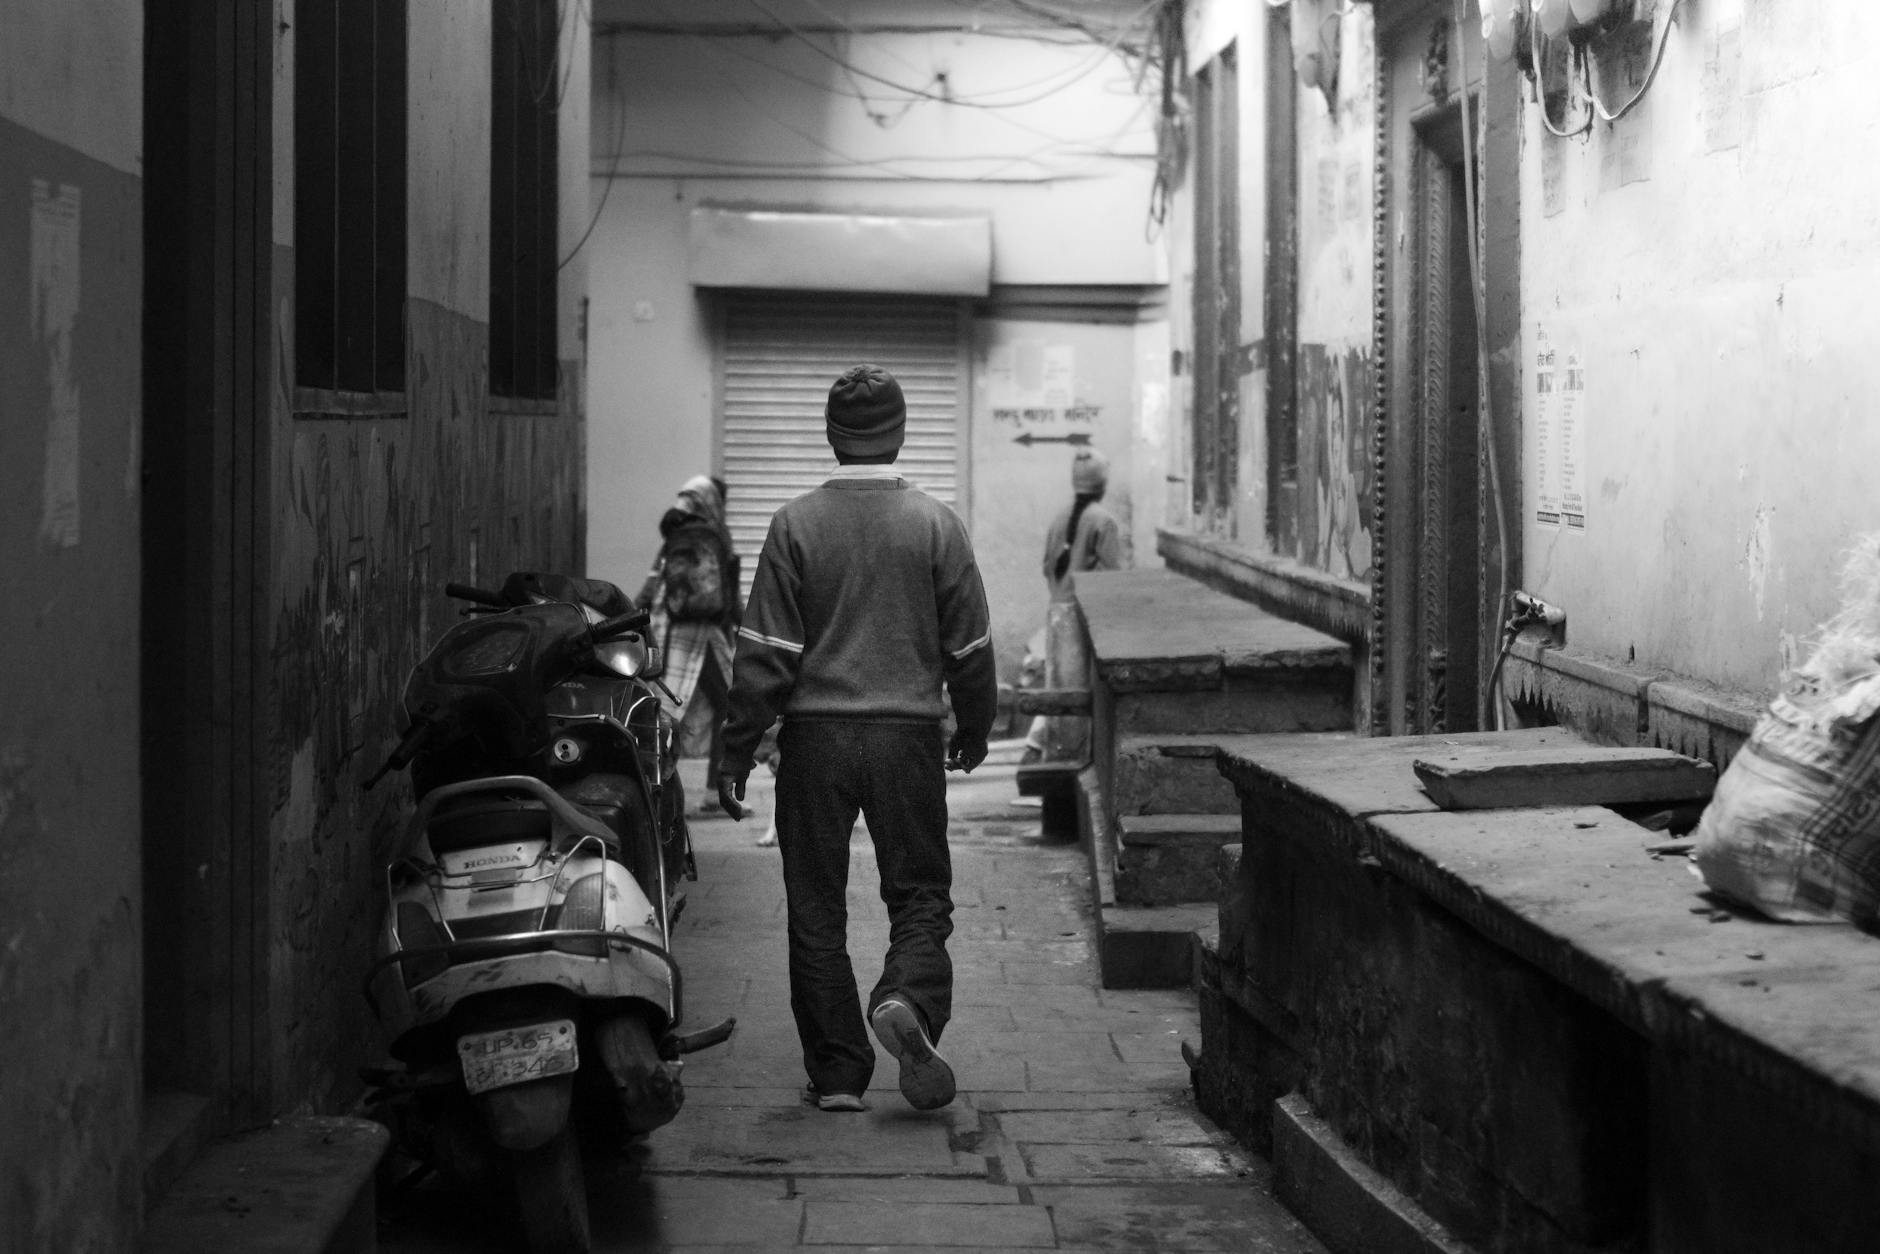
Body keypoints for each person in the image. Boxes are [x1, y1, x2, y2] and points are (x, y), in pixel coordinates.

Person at [715, 364, 998, 1115]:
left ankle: (839, 1073)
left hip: (815, 741)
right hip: (906, 739)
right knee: (920, 895)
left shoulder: (794, 524)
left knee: (814, 905)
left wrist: (735, 751)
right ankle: (905, 996)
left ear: (833, 438)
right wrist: (973, 728)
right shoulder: (936, 525)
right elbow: (970, 647)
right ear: (900, 433)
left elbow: (765, 655)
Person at [635, 474, 741, 805]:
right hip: (705, 636)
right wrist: (746, 627)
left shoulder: (674, 538)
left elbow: (651, 588)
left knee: (666, 710)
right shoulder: (716, 536)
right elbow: (729, 594)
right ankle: (712, 790)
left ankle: (654, 785)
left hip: (669, 634)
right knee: (726, 704)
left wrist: (629, 620)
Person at [1022, 447, 1123, 763]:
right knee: (1083, 694)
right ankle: (1071, 762)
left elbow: (1046, 566)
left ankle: (1050, 754)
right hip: (1085, 618)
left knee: (1061, 690)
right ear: (1102, 486)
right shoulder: (1104, 522)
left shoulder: (1058, 519)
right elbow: (1111, 579)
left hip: (1057, 613)